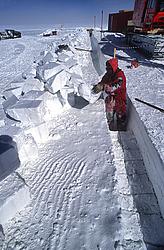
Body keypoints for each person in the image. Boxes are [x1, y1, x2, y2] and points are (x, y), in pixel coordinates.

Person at [92, 57, 127, 130]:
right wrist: (99, 85)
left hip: (120, 98)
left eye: (109, 68)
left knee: (120, 114)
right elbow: (103, 81)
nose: (107, 70)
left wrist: (103, 87)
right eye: (107, 68)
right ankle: (110, 126)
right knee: (109, 106)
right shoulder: (108, 74)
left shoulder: (120, 75)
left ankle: (121, 127)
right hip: (112, 97)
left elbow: (116, 85)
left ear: (113, 68)